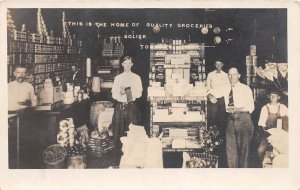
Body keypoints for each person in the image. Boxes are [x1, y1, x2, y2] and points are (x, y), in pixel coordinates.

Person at [224, 67, 255, 168]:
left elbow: (251, 107)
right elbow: (211, 91)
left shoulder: (245, 89)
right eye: (229, 74)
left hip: (244, 119)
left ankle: (243, 175)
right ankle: (233, 174)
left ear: (239, 75)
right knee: (230, 148)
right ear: (227, 76)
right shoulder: (225, 87)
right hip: (231, 119)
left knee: (244, 149)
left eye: (234, 74)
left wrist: (237, 109)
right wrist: (210, 96)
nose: (232, 77)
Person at [111, 56, 143, 149]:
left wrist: (127, 92)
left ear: (132, 64)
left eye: (129, 63)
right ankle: (118, 153)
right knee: (118, 131)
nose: (127, 65)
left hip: (131, 106)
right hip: (120, 106)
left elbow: (139, 93)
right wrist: (121, 94)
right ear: (122, 64)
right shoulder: (118, 78)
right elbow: (114, 94)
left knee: (132, 129)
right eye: (125, 63)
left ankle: (132, 152)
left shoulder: (136, 77)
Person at [256, 91, 288, 161]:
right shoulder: (265, 108)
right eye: (271, 95)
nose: (273, 97)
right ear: (268, 97)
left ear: (278, 97)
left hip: (281, 135)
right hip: (268, 134)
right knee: (260, 151)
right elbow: (261, 124)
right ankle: (265, 164)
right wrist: (268, 136)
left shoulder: (283, 107)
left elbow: (289, 121)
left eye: (275, 95)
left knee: (281, 152)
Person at [206, 59, 230, 133]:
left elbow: (228, 87)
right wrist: (210, 96)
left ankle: (221, 137)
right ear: (214, 65)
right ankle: (211, 137)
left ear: (222, 65)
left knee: (222, 118)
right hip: (213, 99)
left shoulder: (226, 75)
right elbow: (208, 88)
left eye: (220, 64)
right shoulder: (210, 74)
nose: (218, 66)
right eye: (217, 64)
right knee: (212, 118)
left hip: (223, 99)